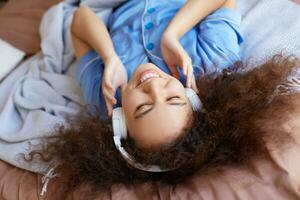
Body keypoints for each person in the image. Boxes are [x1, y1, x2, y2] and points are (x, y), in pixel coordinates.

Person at [36, 0, 277, 191]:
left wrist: (109, 56)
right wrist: (172, 34)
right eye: (174, 99)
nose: (154, 88)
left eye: (143, 108)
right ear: (192, 98)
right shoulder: (209, 64)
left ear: (120, 120)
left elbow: (80, 18)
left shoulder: (107, 96)